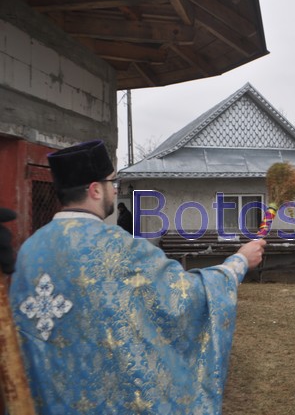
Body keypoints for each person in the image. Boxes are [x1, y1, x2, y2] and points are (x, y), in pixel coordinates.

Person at [10, 140, 265, 414]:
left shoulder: (29, 250)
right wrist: (239, 262)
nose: (115, 189)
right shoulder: (119, 248)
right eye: (112, 182)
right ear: (95, 189)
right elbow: (185, 295)